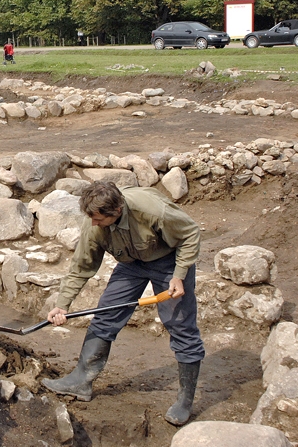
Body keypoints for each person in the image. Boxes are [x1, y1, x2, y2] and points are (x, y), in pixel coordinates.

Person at [41, 180, 204, 426]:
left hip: (169, 261)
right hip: (131, 264)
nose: (93, 224)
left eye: (98, 219)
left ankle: (185, 401)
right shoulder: (94, 223)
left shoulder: (152, 210)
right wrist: (62, 304)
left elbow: (190, 233)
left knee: (180, 325)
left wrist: (179, 275)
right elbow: (82, 266)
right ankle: (80, 381)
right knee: (105, 314)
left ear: (116, 211)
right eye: (91, 218)